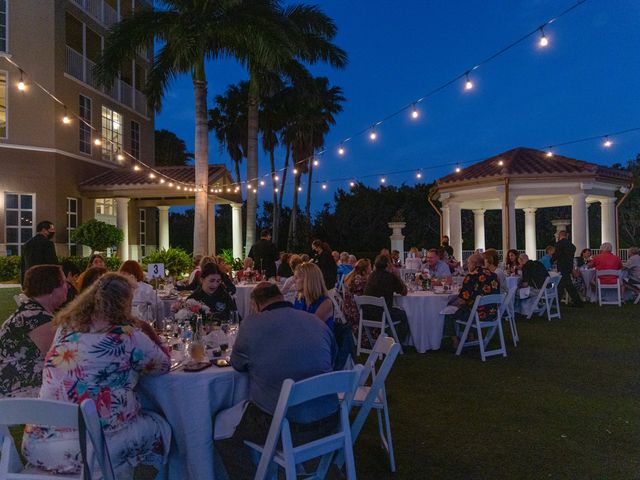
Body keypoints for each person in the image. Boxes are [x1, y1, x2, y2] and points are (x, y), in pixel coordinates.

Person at [22, 273, 171, 476]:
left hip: (37, 445)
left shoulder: (65, 328)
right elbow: (163, 365)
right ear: (124, 303)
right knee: (162, 426)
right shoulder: (127, 336)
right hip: (91, 450)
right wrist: (148, 331)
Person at [216, 282, 336, 480]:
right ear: (281, 297)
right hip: (330, 418)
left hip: (286, 426)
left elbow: (237, 364)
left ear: (255, 305)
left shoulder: (252, 324)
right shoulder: (315, 321)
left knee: (221, 426)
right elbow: (332, 358)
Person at [0, 265, 67, 397]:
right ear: (51, 288)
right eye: (64, 283)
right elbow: (63, 362)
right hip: (20, 398)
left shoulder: (29, 312)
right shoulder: (37, 319)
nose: (68, 287)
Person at [443, 253, 500, 349]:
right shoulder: (494, 275)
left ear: (474, 264)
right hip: (493, 313)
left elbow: (462, 301)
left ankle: (455, 340)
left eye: (468, 263)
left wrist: (448, 303)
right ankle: (471, 336)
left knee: (447, 312)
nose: (468, 265)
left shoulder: (471, 277)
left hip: (477, 316)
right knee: (466, 308)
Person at [363, 254, 409, 342]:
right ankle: (399, 342)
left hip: (367, 314)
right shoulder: (390, 277)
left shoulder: (371, 276)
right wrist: (396, 275)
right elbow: (404, 292)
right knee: (403, 315)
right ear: (388, 264)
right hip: (382, 315)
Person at [293, 262, 334, 330]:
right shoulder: (299, 299)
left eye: (296, 278)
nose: (294, 280)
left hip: (320, 339)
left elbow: (311, 328)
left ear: (308, 280)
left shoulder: (325, 303)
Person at [20, 221, 58, 285]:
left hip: (29, 280)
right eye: (51, 229)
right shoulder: (48, 243)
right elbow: (53, 263)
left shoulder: (26, 244)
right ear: (44, 230)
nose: (53, 232)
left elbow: (23, 265)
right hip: (44, 280)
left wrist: (23, 282)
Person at [342, 258, 372, 336]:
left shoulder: (351, 277)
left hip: (347, 311)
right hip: (357, 314)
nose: (371, 268)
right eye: (370, 266)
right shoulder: (362, 281)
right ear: (365, 269)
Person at [555, 231, 583, 306]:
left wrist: (552, 260)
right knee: (566, 284)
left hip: (561, 266)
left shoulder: (559, 244)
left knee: (564, 284)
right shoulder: (572, 246)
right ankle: (577, 302)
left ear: (559, 236)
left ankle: (556, 301)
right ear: (566, 236)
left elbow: (556, 255)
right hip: (569, 266)